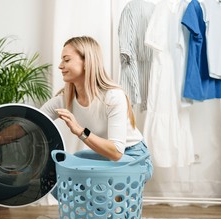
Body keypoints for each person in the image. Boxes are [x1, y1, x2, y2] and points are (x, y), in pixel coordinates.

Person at [40, 36, 153, 181]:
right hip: (106, 157)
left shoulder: (112, 97)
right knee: (64, 168)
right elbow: (33, 121)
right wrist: (2, 137)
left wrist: (80, 131)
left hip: (134, 158)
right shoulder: (64, 100)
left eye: (66, 60)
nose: (60, 66)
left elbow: (117, 152)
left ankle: (106, 201)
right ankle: (97, 202)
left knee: (92, 181)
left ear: (87, 62)